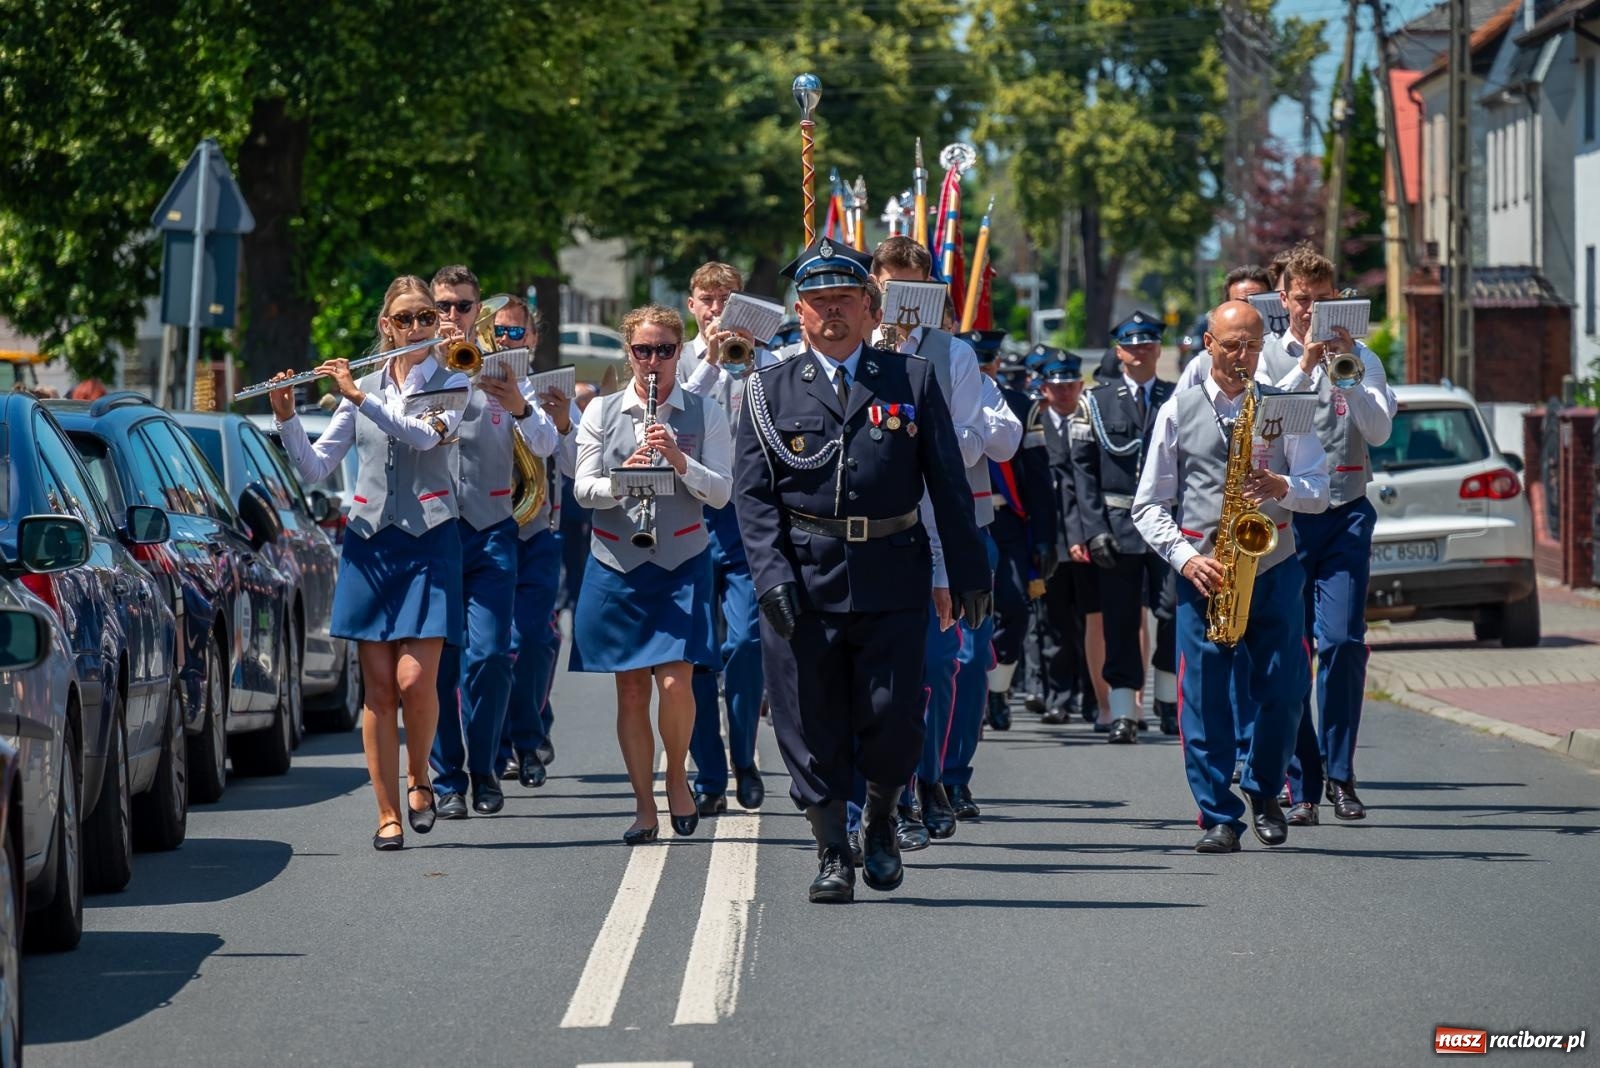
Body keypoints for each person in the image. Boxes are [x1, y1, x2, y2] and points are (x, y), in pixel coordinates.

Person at [734, 235, 989, 903]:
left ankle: (879, 816)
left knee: (894, 716)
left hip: (891, 574)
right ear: (800, 310)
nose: (831, 313)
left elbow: (947, 484)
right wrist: (771, 579)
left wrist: (967, 573)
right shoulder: (768, 389)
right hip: (804, 578)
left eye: (844, 299)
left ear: (873, 309)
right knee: (809, 723)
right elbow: (754, 498)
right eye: (817, 302)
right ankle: (831, 849)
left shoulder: (910, 378)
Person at [269, 275, 470, 850]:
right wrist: (286, 417)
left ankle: (421, 776)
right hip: (369, 541)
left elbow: (425, 440)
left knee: (414, 678)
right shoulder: (364, 387)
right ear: (387, 326)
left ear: (439, 324)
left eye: (426, 318)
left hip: (430, 539)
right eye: (404, 320)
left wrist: (360, 397)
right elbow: (314, 468)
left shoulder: (453, 382)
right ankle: (386, 813)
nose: (416, 329)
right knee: (379, 689)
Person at [1131, 300, 1328, 853]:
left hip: (1275, 562)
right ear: (1208, 345)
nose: (1244, 356)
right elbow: (1148, 506)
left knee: (1287, 688)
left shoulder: (1284, 406)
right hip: (1205, 571)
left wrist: (1283, 487)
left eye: (1253, 344)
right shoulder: (1178, 409)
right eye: (1232, 345)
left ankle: (1264, 789)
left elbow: (1320, 489)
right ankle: (1218, 812)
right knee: (1204, 697)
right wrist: (1186, 558)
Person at [571, 304, 733, 844]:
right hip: (619, 559)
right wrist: (623, 481)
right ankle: (644, 804)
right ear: (629, 353)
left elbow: (722, 491)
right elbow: (582, 489)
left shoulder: (703, 411)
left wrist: (680, 462)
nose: (655, 360)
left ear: (680, 352)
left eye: (666, 350)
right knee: (633, 692)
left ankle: (678, 774)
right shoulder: (602, 411)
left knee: (677, 681)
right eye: (644, 350)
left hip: (682, 559)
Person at [869, 236, 1008, 845]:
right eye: (890, 286)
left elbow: (957, 452)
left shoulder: (953, 356)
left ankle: (933, 781)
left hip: (933, 531)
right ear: (874, 285)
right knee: (880, 678)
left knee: (938, 667)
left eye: (914, 287)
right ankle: (888, 795)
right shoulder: (856, 348)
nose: (901, 299)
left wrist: (948, 568)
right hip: (874, 534)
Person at [425, 269, 560, 818]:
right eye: (441, 306)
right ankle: (447, 779)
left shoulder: (504, 370)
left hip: (491, 532)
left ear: (478, 310)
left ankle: (484, 768)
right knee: (441, 663)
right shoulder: (413, 368)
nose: (450, 316)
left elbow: (549, 442)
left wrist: (522, 406)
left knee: (490, 657)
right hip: (432, 533)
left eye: (461, 306)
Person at [1270, 247, 1396, 824]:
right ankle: (1301, 783)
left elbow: (1378, 431)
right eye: (1303, 301)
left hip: (1345, 510)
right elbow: (1272, 424)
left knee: (1343, 643)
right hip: (1289, 519)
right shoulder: (1269, 355)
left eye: (1324, 301)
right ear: (1284, 298)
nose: (1313, 312)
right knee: (1289, 654)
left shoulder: (1362, 356)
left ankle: (1342, 774)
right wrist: (1305, 366)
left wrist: (1346, 370)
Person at [676, 262, 770, 815]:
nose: (716, 309)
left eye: (726, 299)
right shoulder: (673, 357)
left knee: (746, 642)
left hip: (746, 515)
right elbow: (677, 408)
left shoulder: (767, 357)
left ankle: (744, 757)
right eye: (707, 299)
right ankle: (709, 775)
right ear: (692, 305)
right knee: (694, 654)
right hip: (690, 513)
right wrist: (713, 359)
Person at [1072, 311, 1178, 741]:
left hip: (1170, 526)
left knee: (1172, 613)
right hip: (1117, 526)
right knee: (1118, 620)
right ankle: (1122, 712)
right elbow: (1083, 471)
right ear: (1118, 351)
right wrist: (1093, 529)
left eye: (1147, 343)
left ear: (1157, 349)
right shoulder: (1095, 400)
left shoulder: (1177, 397)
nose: (1139, 351)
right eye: (1131, 345)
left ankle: (1168, 702)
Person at [481, 296, 573, 792]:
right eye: (499, 332)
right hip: (486, 529)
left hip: (537, 528)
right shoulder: (469, 384)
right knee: (494, 648)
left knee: (533, 641)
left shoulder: (549, 390)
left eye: (517, 333)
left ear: (533, 340)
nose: (507, 341)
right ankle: (504, 748)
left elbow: (563, 458)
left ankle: (528, 737)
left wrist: (545, 416)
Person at [970, 332, 1057, 735]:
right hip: (964, 520)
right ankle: (971, 692)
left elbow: (1039, 479)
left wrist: (1045, 536)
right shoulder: (947, 400)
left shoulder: (1021, 406)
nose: (983, 367)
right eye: (975, 360)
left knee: (1017, 608)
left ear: (998, 364)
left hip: (1007, 522)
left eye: (988, 361)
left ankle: (999, 688)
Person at [1033, 351, 1105, 726]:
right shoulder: (1035, 423)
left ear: (1080, 386)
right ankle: (1058, 696)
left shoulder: (1091, 420)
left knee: (1091, 623)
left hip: (1086, 540)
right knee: (1054, 625)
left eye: (1070, 386)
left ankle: (1094, 697)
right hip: (1051, 539)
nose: (1063, 394)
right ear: (1044, 388)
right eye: (1056, 387)